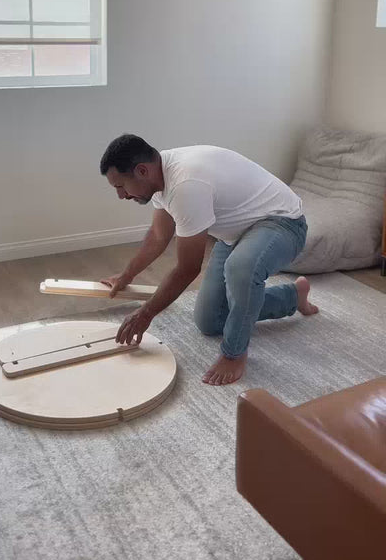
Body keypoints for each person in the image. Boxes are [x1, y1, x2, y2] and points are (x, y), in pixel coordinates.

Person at [100, 134, 318, 386]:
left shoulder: (185, 183)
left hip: (283, 223)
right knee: (209, 319)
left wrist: (145, 313)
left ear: (141, 171)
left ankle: (234, 353)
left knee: (240, 268)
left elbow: (187, 268)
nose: (121, 195)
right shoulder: (158, 177)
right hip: (235, 235)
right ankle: (293, 296)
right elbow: (159, 236)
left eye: (121, 186)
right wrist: (127, 275)